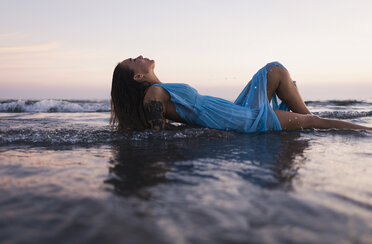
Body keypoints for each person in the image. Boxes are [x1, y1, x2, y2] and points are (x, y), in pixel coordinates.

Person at [110, 55, 372, 132]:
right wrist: (159, 138)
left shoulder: (162, 90)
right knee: (312, 119)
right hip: (240, 120)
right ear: (138, 76)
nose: (140, 56)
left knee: (275, 70)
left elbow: (164, 113)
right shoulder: (155, 92)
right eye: (134, 60)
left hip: (233, 112)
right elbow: (152, 105)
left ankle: (305, 123)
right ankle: (363, 130)